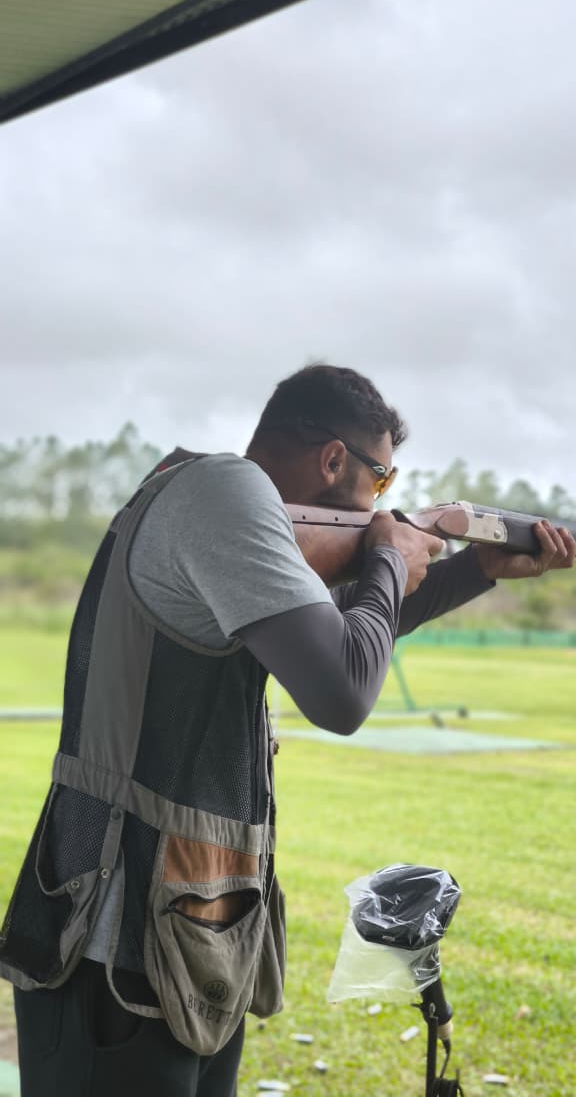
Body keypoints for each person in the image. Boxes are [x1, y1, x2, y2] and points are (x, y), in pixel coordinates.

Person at [2, 365, 573, 1097]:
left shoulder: (211, 500)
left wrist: (478, 568)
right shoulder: (226, 493)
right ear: (334, 459)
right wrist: (390, 558)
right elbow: (342, 692)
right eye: (381, 480)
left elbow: (340, 639)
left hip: (186, 935)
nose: (381, 504)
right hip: (112, 941)